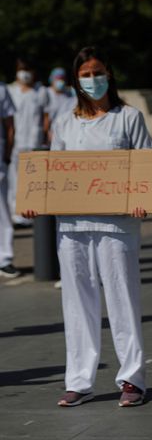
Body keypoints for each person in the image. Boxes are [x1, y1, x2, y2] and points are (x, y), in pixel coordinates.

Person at [21, 46, 152, 407]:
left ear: (109, 74)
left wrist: (142, 198)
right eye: (85, 75)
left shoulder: (129, 117)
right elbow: (52, 174)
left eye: (97, 72)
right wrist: (35, 200)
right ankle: (79, 380)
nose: (92, 80)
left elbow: (145, 165)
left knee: (122, 298)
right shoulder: (65, 122)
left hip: (117, 225)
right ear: (76, 80)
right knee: (77, 301)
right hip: (72, 226)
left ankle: (132, 378)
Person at [8, 58, 48, 225]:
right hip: (16, 142)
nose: (24, 74)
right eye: (21, 70)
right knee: (14, 179)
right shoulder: (10, 90)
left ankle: (32, 215)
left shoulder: (41, 91)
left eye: (27, 70)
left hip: (34, 143)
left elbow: (46, 117)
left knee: (33, 180)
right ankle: (15, 214)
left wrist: (45, 137)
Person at [0, 81, 17, 278]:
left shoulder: (2, 89)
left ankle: (4, 259)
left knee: (2, 211)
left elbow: (10, 125)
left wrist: (7, 154)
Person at [45, 67, 77, 142]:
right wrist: (46, 133)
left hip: (68, 132)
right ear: (52, 79)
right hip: (52, 132)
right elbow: (45, 117)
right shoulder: (47, 93)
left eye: (62, 78)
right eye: (58, 78)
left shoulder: (70, 93)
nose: (60, 81)